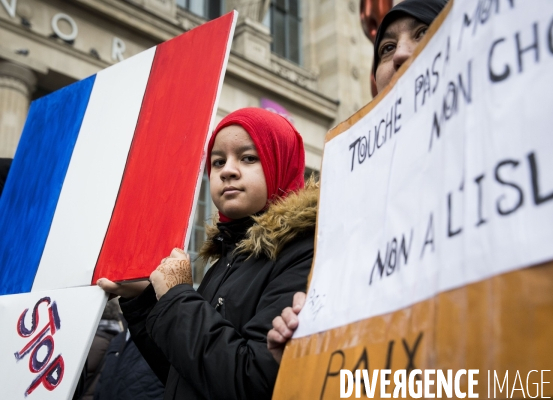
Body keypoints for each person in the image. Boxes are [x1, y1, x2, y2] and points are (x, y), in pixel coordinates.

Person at [266, 0, 449, 363]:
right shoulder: (343, 208)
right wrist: (306, 334)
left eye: (423, 33)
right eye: (386, 48)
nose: (400, 55)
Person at [97, 107, 318, 399]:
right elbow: (186, 373)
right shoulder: (227, 257)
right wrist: (144, 300)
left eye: (248, 157)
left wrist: (177, 297)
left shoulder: (304, 252)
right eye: (217, 161)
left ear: (281, 161)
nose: (227, 170)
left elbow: (251, 382)